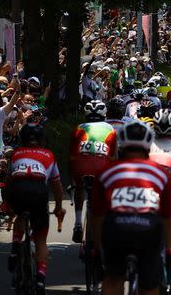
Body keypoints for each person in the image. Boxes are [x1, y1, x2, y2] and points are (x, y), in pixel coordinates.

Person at [91, 120, 171, 295]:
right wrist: (169, 249)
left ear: (121, 146)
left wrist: (97, 248)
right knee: (150, 286)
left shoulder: (106, 171)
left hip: (116, 229)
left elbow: (97, 215)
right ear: (148, 147)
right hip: (148, 230)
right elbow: (168, 218)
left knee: (113, 278)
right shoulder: (161, 174)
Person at [5, 123, 65, 295]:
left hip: (18, 189)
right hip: (38, 191)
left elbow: (9, 182)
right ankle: (39, 279)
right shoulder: (49, 154)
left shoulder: (16, 154)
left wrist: (9, 205)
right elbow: (57, 185)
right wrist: (59, 207)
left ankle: (16, 246)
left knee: (20, 217)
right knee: (40, 240)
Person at [69, 100, 117, 243]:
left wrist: (72, 179)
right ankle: (107, 224)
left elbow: (71, 157)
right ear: (104, 114)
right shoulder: (110, 129)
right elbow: (114, 158)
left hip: (80, 167)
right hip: (102, 168)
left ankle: (78, 223)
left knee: (79, 188)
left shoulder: (78, 129)